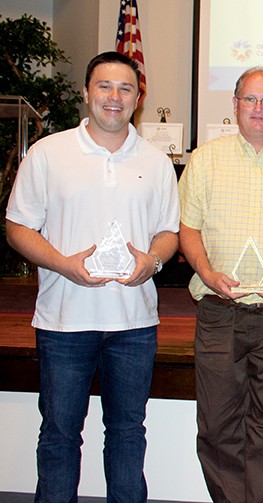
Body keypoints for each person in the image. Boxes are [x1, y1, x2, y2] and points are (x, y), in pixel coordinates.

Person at [5, 51, 179, 502]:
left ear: (138, 98)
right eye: (104, 86)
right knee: (60, 435)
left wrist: (153, 263)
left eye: (125, 88)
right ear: (86, 92)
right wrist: (64, 264)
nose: (114, 97)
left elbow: (168, 233)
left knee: (126, 434)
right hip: (64, 323)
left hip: (134, 326)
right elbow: (17, 226)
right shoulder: (48, 153)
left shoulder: (157, 162)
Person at [178, 65, 263, 503]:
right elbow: (188, 230)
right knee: (218, 423)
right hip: (219, 314)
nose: (259, 108)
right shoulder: (204, 160)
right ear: (235, 105)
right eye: (250, 100)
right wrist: (205, 271)